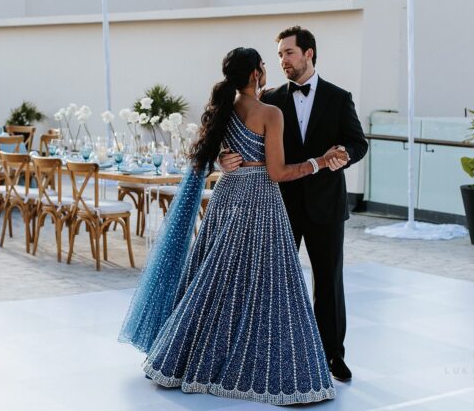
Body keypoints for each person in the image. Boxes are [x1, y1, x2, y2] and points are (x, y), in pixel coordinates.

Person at [120, 47, 349, 405]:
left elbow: (208, 151)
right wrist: (320, 162)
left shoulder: (222, 107)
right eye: (264, 64)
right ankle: (251, 362)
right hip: (259, 200)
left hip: (226, 197)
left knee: (215, 278)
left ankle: (188, 357)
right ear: (256, 73)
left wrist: (220, 160)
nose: (269, 68)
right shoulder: (270, 113)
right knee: (264, 283)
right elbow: (278, 173)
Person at [220, 27, 368, 381]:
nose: (283, 60)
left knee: (328, 283)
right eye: (279, 55)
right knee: (271, 282)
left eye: (288, 53)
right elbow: (242, 142)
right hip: (278, 205)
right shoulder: (269, 98)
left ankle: (332, 356)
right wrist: (222, 158)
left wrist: (344, 153)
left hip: (325, 205)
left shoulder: (339, 97)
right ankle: (270, 355)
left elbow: (358, 142)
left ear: (308, 53)